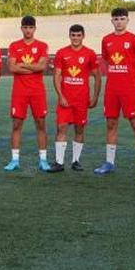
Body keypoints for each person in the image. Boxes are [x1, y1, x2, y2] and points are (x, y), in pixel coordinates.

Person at [95, 7, 135, 176]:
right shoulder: (106, 40)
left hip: (129, 89)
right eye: (116, 19)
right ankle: (109, 162)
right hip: (112, 89)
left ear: (127, 20)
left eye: (122, 18)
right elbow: (106, 61)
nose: (119, 21)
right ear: (112, 21)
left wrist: (133, 81)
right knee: (111, 124)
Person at [49, 24, 100, 172]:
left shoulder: (90, 53)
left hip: (82, 100)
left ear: (83, 36)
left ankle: (76, 161)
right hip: (65, 99)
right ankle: (59, 163)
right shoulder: (61, 53)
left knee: (79, 129)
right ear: (69, 36)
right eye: (73, 35)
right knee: (61, 127)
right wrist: (61, 96)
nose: (76, 38)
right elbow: (57, 76)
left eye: (78, 35)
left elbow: (97, 76)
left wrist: (95, 96)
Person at [7, 15, 50, 172]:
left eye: (31, 27)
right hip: (19, 91)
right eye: (25, 27)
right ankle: (15, 160)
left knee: (41, 124)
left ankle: (43, 160)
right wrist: (33, 65)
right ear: (21, 28)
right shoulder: (14, 46)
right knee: (17, 124)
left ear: (34, 29)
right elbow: (12, 68)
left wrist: (23, 65)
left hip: (37, 91)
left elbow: (42, 67)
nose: (28, 30)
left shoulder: (42, 45)